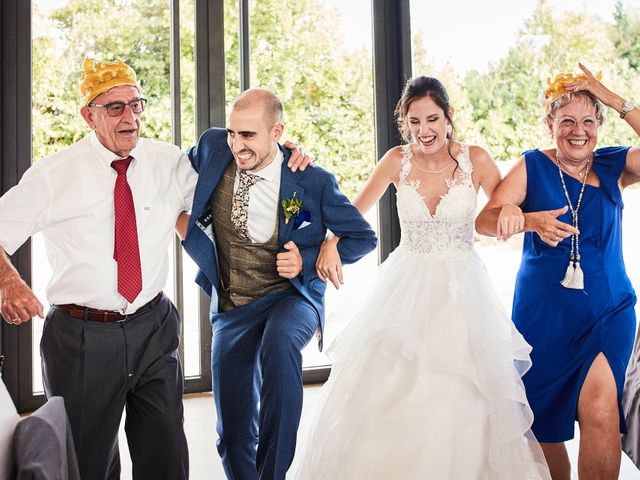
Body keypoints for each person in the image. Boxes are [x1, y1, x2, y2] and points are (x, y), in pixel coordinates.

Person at [0, 59, 309, 480]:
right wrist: (9, 280)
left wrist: (281, 151)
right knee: (88, 465)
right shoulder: (55, 176)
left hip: (153, 328)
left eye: (136, 104)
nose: (130, 117)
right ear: (88, 115)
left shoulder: (169, 162)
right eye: (114, 108)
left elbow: (235, 170)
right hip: (81, 338)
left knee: (166, 459)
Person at [290, 76, 550, 479]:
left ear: (449, 117)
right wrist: (329, 240)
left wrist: (525, 219)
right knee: (388, 388)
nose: (424, 130)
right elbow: (354, 209)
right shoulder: (396, 160)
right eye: (414, 122)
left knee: (459, 391)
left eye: (432, 119)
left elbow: (498, 215)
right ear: (404, 122)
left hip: (462, 288)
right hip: (406, 283)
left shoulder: (476, 160)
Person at [177, 87, 376, 480]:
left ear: (277, 131)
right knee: (231, 433)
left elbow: (363, 237)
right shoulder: (214, 147)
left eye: (248, 135)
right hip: (233, 305)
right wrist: (180, 225)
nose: (237, 144)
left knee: (280, 343)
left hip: (292, 296)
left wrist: (323, 250)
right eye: (234, 133)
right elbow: (167, 171)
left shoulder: (312, 180)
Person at [476, 63, 640, 480]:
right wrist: (528, 220)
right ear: (550, 124)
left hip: (608, 312)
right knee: (541, 429)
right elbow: (485, 221)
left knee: (601, 412)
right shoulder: (531, 166)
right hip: (542, 319)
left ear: (600, 125)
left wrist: (614, 98)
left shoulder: (614, 165)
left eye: (588, 120)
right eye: (566, 121)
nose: (578, 131)